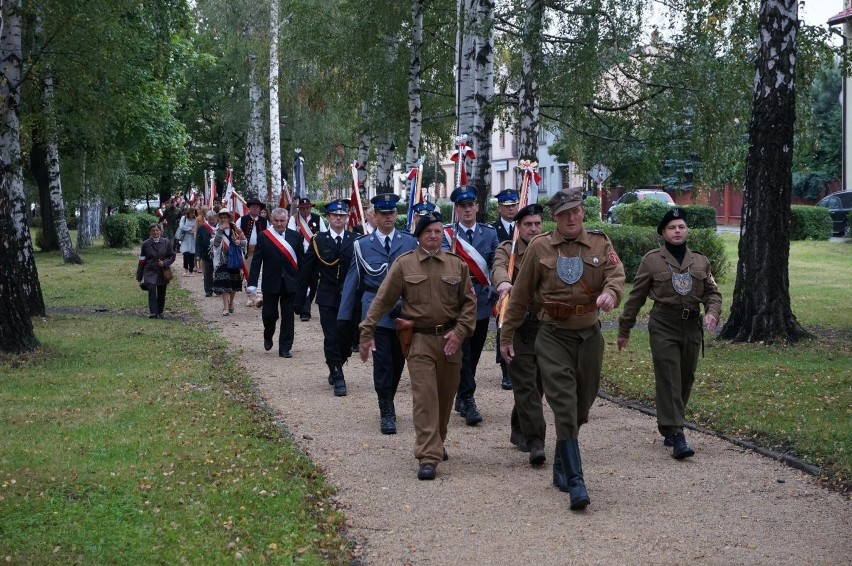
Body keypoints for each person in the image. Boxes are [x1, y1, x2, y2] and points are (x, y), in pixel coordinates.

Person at [500, 187, 625, 510]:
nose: (572, 218)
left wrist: (611, 293)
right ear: (554, 219)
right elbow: (520, 297)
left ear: (583, 212)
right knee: (564, 406)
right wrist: (506, 336)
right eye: (564, 214)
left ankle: (560, 463)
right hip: (552, 336)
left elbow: (616, 274)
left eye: (576, 212)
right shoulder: (540, 248)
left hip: (589, 337)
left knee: (581, 409)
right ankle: (576, 482)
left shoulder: (600, 242)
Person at [359, 211, 476, 480]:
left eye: (437, 231)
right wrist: (366, 331)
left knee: (445, 398)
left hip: (450, 340)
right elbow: (382, 300)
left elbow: (469, 304)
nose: (433, 236)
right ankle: (427, 455)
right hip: (419, 341)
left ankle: (438, 440)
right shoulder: (404, 264)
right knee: (425, 398)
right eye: (428, 232)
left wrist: (460, 332)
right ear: (419, 236)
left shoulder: (456, 265)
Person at [617, 207, 722, 460]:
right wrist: (625, 328)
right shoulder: (652, 260)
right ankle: (677, 433)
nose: (677, 231)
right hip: (664, 323)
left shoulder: (700, 261)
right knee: (669, 377)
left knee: (686, 378)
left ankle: (669, 425)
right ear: (663, 233)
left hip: (691, 326)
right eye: (672, 228)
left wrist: (712, 312)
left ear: (687, 231)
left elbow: (712, 293)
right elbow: (636, 297)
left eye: (681, 227)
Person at [338, 193, 417, 434]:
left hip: (404, 310)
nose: (388, 217)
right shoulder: (362, 244)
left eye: (392, 213)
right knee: (382, 363)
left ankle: (388, 397)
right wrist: (344, 316)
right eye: (383, 214)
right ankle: (386, 409)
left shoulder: (409, 242)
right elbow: (353, 280)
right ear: (374, 216)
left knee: (397, 360)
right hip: (376, 310)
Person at [492, 203, 546, 465]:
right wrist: (503, 283)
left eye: (537, 223)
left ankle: (518, 428)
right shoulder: (508, 250)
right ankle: (536, 442)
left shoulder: (550, 247)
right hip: (517, 325)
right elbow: (499, 268)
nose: (534, 229)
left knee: (539, 384)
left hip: (546, 326)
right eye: (528, 225)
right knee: (525, 384)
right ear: (518, 227)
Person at [441, 185, 499, 426]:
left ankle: (462, 396)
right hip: (458, 302)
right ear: (456, 209)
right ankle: (468, 397)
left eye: (470, 205)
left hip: (483, 301)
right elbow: (444, 265)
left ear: (477, 207)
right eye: (462, 206)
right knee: (462, 352)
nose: (467, 210)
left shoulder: (489, 233)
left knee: (473, 353)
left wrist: (497, 287)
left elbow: (496, 263)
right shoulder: (447, 235)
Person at [297, 199, 357, 395]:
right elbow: (307, 271)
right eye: (334, 216)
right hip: (327, 296)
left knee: (346, 337)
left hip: (349, 298)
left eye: (342, 215)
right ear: (329, 218)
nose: (338, 219)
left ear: (346, 217)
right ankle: (338, 374)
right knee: (331, 336)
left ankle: (337, 361)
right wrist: (300, 300)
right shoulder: (318, 240)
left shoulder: (356, 240)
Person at [247, 208, 305, 358]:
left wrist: (305, 284)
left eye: (282, 221)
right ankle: (268, 334)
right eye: (276, 221)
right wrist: (252, 283)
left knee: (288, 316)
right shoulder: (264, 236)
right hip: (271, 281)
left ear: (287, 221)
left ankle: (285, 347)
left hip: (290, 283)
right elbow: (257, 261)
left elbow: (302, 262)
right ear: (272, 221)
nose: (279, 224)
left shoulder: (296, 236)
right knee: (269, 314)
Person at [492, 188, 521, 390]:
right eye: (507, 206)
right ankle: (505, 370)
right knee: (502, 325)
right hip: (501, 285)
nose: (511, 210)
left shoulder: (524, 226)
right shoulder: (492, 230)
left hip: (522, 284)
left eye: (514, 206)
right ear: (499, 207)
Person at [289, 197, 328, 321]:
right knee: (302, 282)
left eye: (307, 208)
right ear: (299, 208)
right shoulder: (293, 220)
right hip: (299, 255)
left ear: (311, 208)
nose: (305, 210)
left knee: (313, 282)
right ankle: (305, 311)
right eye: (303, 208)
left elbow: (323, 235)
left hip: (314, 255)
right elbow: (289, 237)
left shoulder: (318, 219)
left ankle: (301, 304)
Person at [136, 223, 176, 319]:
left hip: (162, 271)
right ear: (150, 232)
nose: (155, 232)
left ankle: (160, 312)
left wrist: (165, 263)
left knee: (162, 292)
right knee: (152, 289)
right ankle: (153, 312)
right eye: (153, 231)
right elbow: (142, 259)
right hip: (149, 270)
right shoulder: (145, 244)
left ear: (160, 231)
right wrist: (139, 274)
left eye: (157, 230)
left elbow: (172, 256)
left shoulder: (166, 242)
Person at [211, 210, 247, 317]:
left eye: (225, 218)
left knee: (233, 283)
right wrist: (220, 231)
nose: (223, 220)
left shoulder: (236, 229)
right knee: (224, 283)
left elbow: (245, 241)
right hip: (222, 260)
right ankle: (225, 307)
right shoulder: (217, 230)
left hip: (234, 259)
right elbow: (216, 244)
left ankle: (231, 302)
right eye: (221, 218)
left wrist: (239, 242)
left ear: (228, 218)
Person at [195, 210, 218, 297]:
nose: (212, 221)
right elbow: (198, 242)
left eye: (213, 219)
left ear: (216, 218)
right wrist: (198, 254)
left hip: (219, 254)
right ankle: (208, 290)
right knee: (208, 272)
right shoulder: (202, 228)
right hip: (207, 253)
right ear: (207, 219)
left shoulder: (220, 227)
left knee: (218, 272)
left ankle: (217, 289)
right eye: (210, 220)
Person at [176, 207, 199, 276]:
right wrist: (191, 229)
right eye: (191, 213)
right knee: (185, 254)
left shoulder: (196, 219)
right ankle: (185, 269)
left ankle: (191, 271)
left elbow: (196, 229)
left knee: (192, 255)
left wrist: (191, 230)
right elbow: (181, 227)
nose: (192, 214)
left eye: (193, 213)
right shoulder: (184, 218)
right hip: (185, 238)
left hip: (192, 239)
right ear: (188, 213)